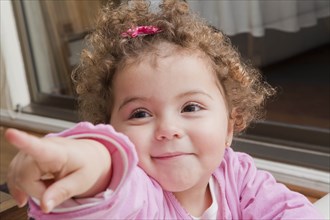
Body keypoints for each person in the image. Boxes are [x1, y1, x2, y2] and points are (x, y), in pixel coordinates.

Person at [5, 0, 323, 219]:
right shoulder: (137, 194)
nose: (168, 129)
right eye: (140, 113)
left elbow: (290, 210)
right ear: (111, 132)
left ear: (230, 124)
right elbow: (112, 189)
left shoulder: (236, 174)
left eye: (191, 107)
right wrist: (93, 163)